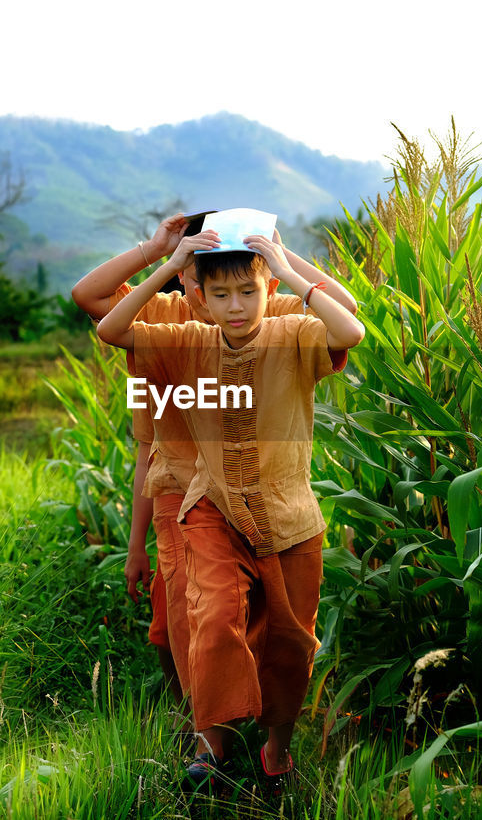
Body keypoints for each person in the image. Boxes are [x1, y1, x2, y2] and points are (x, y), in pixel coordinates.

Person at [96, 228, 364, 793]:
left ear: (268, 286)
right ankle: (211, 745)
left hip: (288, 515)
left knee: (291, 644)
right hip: (208, 507)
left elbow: (351, 326)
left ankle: (276, 748)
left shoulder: (293, 331)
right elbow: (108, 327)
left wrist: (283, 262)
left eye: (248, 291)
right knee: (211, 618)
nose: (235, 306)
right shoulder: (187, 338)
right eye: (220, 295)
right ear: (199, 293)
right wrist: (165, 259)